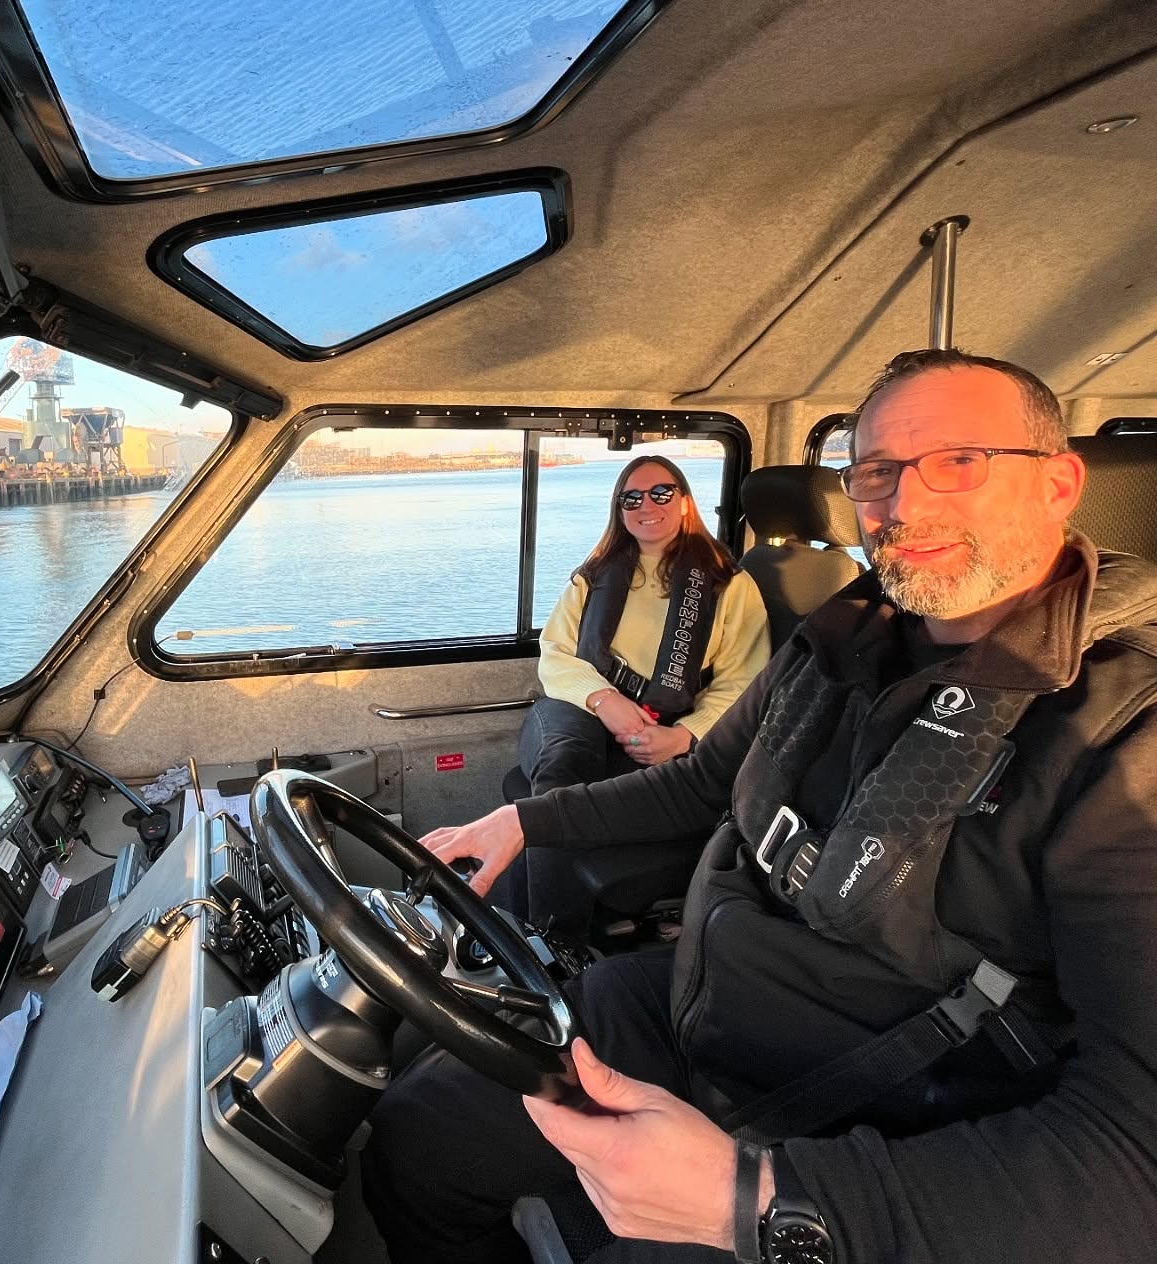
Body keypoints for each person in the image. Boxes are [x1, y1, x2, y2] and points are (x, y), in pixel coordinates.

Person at [362, 349, 1157, 1264]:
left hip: (874, 1107)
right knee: (416, 1137)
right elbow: (701, 786)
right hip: (699, 1000)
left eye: (958, 462)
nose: (905, 504)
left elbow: (1133, 1142)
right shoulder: (848, 634)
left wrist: (760, 1201)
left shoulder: (1123, 733)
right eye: (876, 473)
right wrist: (520, 821)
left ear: (1059, 484)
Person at [508, 456, 770, 935]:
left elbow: (744, 682)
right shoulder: (593, 576)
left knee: (558, 799)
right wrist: (605, 701)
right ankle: (551, 936)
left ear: (685, 501)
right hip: (578, 713)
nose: (646, 505)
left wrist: (686, 736)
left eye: (661, 493)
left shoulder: (730, 586)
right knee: (563, 765)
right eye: (632, 498)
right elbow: (555, 653)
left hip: (663, 732)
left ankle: (539, 936)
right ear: (619, 510)